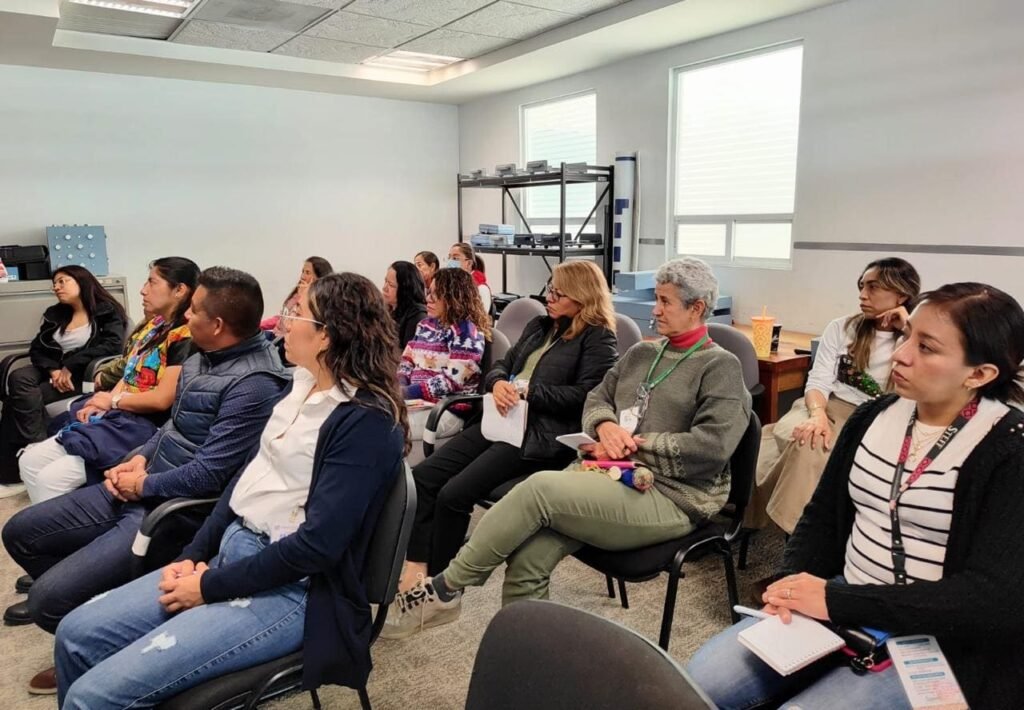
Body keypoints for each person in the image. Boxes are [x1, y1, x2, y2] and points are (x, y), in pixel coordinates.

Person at [52, 273, 407, 709]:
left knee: (91, 698)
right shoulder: (298, 385)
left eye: (297, 314)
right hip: (232, 556)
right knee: (74, 635)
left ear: (326, 337)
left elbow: (317, 547)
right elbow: (243, 483)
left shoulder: (364, 421)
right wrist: (191, 557)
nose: (284, 322)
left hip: (293, 589)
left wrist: (209, 585)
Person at [687, 283, 1024, 710]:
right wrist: (791, 587)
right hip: (844, 600)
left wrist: (836, 600)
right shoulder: (872, 416)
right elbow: (821, 518)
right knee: (697, 683)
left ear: (979, 374)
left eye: (926, 348)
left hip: (937, 639)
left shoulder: (1008, 449)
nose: (901, 354)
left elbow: (992, 600)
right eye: (907, 336)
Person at [382, 258, 751, 639]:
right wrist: (606, 426)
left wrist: (633, 444)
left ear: (697, 308)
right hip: (611, 473)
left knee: (539, 489)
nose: (655, 310)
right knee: (526, 559)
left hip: (670, 493)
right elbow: (596, 398)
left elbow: (712, 447)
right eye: (656, 299)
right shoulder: (643, 354)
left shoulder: (720, 367)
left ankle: (444, 589)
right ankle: (524, 657)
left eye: (665, 302)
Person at [2, 267, 290, 695]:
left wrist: (143, 486)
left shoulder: (254, 384)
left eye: (194, 310)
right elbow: (171, 427)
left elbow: (210, 474)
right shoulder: (200, 357)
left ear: (217, 325)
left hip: (172, 511)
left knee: (47, 601)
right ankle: (100, 614)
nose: (185, 316)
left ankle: (99, 639)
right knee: (20, 532)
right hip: (146, 485)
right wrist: (135, 459)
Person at [391, 259, 618, 601]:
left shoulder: (598, 338)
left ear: (582, 296)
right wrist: (498, 384)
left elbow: (587, 396)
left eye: (558, 293)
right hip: (502, 420)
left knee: (453, 495)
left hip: (540, 436)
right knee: (423, 478)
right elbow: (501, 366)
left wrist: (528, 392)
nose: (549, 297)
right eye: (550, 289)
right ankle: (417, 566)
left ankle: (441, 587)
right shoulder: (540, 326)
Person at [748, 258, 921, 535]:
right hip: (825, 404)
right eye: (861, 286)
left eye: (873, 287)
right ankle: (799, 536)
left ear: (901, 295)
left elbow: (918, 395)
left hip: (875, 418)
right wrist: (817, 415)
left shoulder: (915, 340)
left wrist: (910, 329)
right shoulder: (842, 327)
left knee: (809, 448)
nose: (862, 295)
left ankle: (791, 534)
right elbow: (818, 380)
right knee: (805, 436)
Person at [17, 258, 199, 504]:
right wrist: (103, 401)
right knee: (29, 461)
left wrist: (113, 402)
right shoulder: (154, 326)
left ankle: (60, 523)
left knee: (50, 479)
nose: (143, 290)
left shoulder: (185, 336)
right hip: (121, 413)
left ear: (179, 290)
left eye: (152, 282)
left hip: (145, 424)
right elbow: (130, 373)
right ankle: (43, 523)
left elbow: (161, 400)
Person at [0, 266, 128, 495]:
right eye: (54, 283)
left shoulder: (107, 312)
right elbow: (38, 347)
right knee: (19, 377)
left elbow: (111, 346)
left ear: (81, 281)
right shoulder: (55, 314)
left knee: (17, 402)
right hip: (53, 371)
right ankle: (34, 444)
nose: (56, 287)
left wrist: (70, 366)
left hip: (82, 375)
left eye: (62, 281)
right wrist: (53, 370)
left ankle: (13, 472)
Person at [399, 268, 490, 441]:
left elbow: (451, 381)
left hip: (446, 410)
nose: (428, 298)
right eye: (429, 292)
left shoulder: (466, 333)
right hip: (417, 403)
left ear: (454, 298)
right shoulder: (425, 324)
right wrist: (401, 383)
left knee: (383, 427)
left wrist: (406, 392)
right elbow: (407, 359)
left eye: (436, 294)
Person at [259, 256, 333, 339]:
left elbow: (298, 322)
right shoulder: (297, 293)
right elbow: (282, 317)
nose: (302, 276)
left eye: (307, 273)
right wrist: (259, 325)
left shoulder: (318, 303)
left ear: (319, 278)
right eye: (302, 271)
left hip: (288, 340)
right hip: (276, 335)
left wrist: (304, 295)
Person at [382, 260, 427, 350]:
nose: (384, 288)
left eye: (391, 285)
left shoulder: (417, 315)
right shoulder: (388, 308)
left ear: (404, 289)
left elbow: (407, 352)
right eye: (385, 281)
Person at [447, 242, 491, 313]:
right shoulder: (451, 284)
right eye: (449, 257)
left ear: (469, 263)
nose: (450, 261)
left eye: (455, 258)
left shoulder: (481, 288)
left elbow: (480, 317)